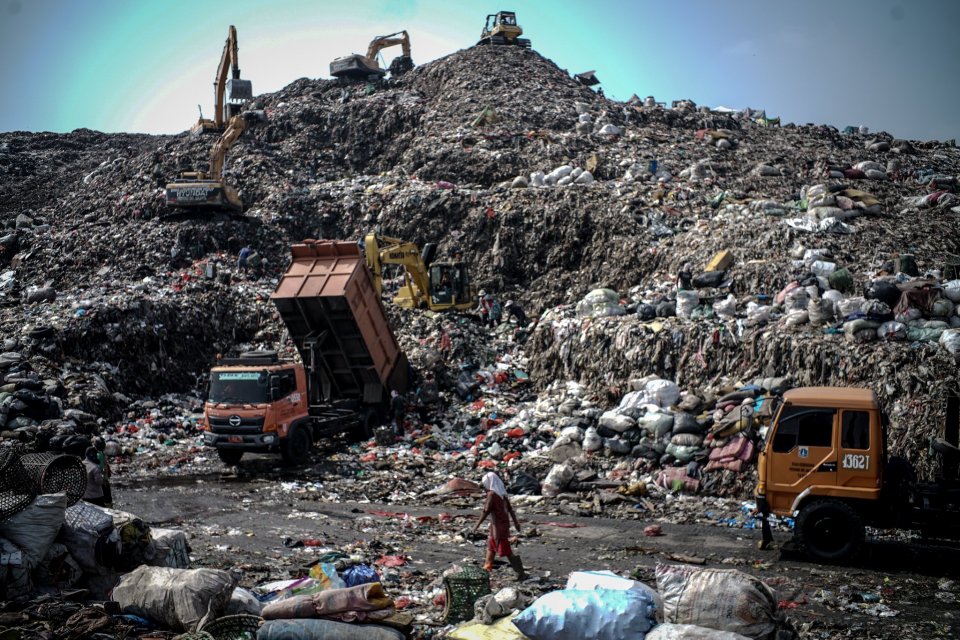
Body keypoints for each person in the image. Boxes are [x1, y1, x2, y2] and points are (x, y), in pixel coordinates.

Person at [472, 471, 526, 579]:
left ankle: (520, 573)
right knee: (491, 547)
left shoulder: (492, 494)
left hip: (498, 527)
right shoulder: (503, 495)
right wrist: (516, 523)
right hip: (502, 525)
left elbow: (486, 511)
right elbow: (510, 510)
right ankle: (487, 567)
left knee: (506, 550)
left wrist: (476, 525)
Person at [94, 437, 113, 507]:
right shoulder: (100, 454)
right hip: (103, 479)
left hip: (102, 479)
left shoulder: (98, 454)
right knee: (107, 498)